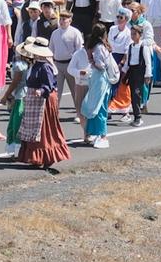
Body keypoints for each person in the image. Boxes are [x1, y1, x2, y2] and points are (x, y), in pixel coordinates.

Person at [15, 36, 70, 169]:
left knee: (44, 129)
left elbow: (48, 85)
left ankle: (45, 156)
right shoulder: (35, 65)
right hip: (34, 99)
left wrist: (41, 91)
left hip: (43, 100)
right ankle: (34, 156)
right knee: (33, 128)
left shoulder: (45, 66)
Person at [78, 22, 116, 143]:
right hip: (101, 77)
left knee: (94, 105)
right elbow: (102, 65)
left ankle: (94, 132)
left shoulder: (93, 46)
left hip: (95, 76)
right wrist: (95, 63)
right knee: (100, 106)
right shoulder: (100, 47)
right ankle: (101, 134)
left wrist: (93, 62)